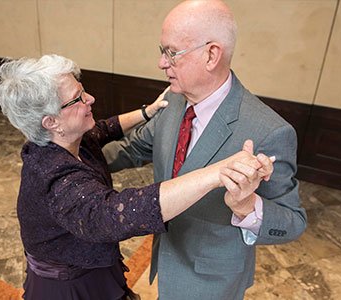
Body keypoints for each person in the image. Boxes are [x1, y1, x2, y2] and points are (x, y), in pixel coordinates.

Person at [0, 54, 274, 300]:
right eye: (78, 98)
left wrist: (146, 112)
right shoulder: (55, 177)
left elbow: (104, 129)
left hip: (93, 269)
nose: (90, 99)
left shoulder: (66, 138)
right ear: (51, 122)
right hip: (69, 287)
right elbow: (116, 214)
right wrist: (217, 173)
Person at [103, 0, 307, 299]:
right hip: (167, 255)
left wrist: (246, 207)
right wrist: (69, 160)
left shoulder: (270, 131)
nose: (161, 63)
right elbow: (132, 148)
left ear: (212, 55)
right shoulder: (174, 101)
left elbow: (294, 222)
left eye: (171, 53)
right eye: (162, 51)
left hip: (213, 281)